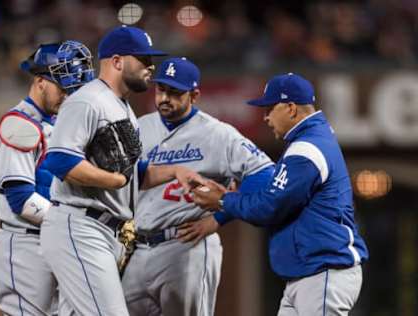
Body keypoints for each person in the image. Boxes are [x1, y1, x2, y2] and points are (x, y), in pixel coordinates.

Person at [40, 27, 205, 316]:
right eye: (142, 59)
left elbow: (132, 174)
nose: (150, 67)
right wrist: (113, 179)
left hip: (104, 231)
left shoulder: (123, 108)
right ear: (117, 61)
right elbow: (60, 160)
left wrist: (175, 171)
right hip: (79, 226)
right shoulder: (86, 100)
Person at [192, 73, 369, 316]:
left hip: (324, 272)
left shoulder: (307, 148)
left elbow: (270, 207)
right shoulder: (311, 140)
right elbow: (276, 196)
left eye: (269, 108)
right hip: (309, 274)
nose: (265, 117)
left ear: (291, 108)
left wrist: (222, 201)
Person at [121, 57, 274, 316]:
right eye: (161, 89)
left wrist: (221, 216)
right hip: (139, 247)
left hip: (186, 246)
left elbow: (265, 175)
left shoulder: (218, 134)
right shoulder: (140, 127)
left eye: (175, 92)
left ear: (195, 95)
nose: (165, 98)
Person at [0, 40, 95, 315]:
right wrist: (77, 225)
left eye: (74, 88)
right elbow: (21, 199)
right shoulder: (19, 125)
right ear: (40, 81)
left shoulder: (61, 122)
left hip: (54, 242)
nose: (69, 95)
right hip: (25, 247)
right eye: (63, 86)